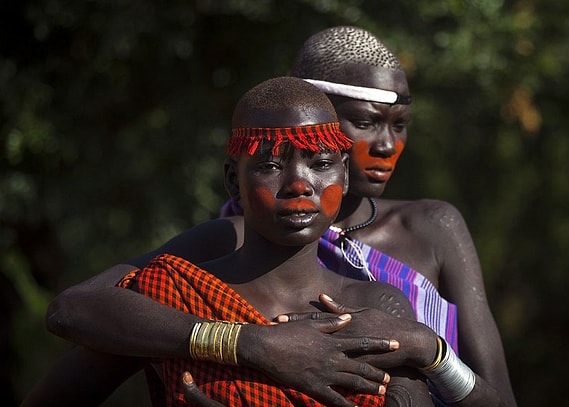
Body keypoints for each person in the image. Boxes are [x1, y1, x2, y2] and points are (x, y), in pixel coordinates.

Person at [24, 26, 516, 407]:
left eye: (400, 125)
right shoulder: (199, 271)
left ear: (339, 169)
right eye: (363, 122)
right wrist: (249, 344)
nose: (386, 144)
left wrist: (430, 351)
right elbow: (76, 310)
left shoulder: (409, 259)